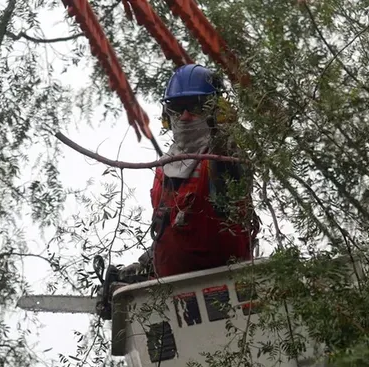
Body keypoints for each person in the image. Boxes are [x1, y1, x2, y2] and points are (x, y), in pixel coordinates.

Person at [96, 64, 257, 319]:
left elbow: (234, 183)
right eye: (177, 107)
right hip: (176, 297)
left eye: (195, 107)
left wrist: (226, 128)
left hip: (224, 291)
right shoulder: (164, 167)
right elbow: (168, 234)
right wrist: (140, 269)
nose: (184, 116)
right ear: (166, 112)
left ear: (215, 112)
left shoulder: (222, 157)